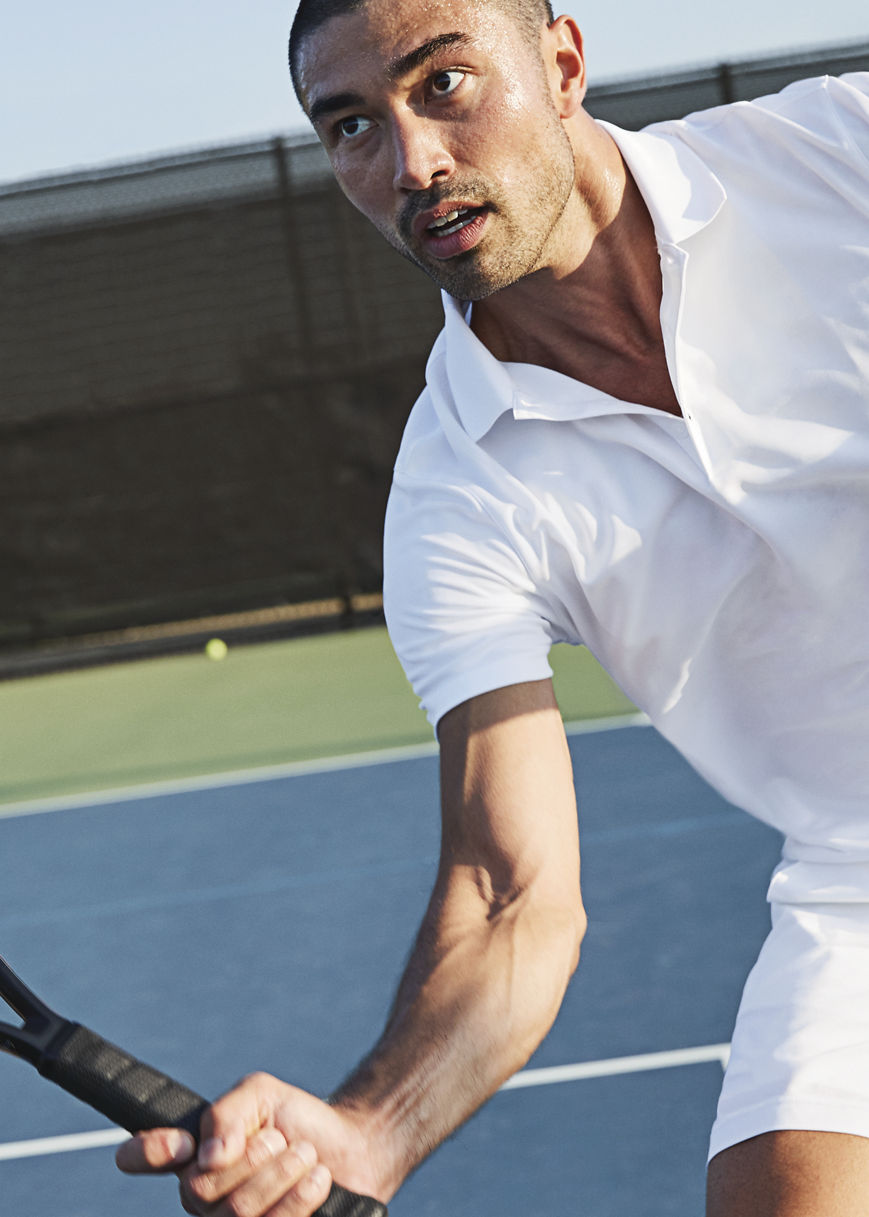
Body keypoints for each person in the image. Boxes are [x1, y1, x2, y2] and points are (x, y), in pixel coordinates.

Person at [117, 0, 869, 1212]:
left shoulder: (839, 153)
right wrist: (367, 1127)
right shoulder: (455, 497)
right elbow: (511, 896)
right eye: (352, 125)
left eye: (443, 85)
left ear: (562, 64)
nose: (410, 161)